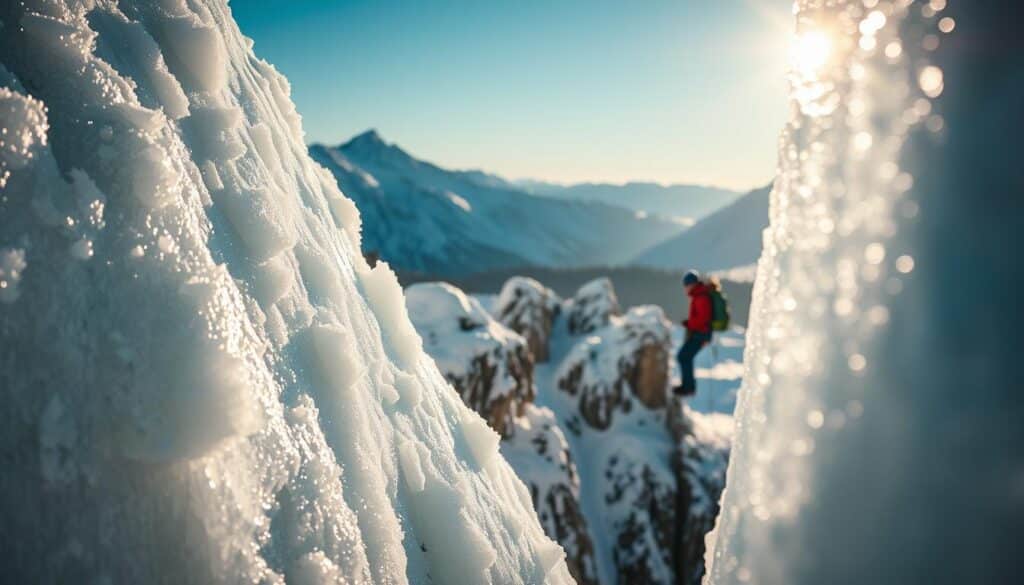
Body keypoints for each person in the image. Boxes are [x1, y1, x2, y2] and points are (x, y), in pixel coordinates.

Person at [674, 270, 712, 396]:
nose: (685, 289)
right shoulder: (699, 295)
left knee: (683, 356)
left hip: (700, 334)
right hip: (700, 333)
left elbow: (703, 319)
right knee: (685, 357)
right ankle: (688, 386)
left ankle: (688, 387)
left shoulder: (701, 297)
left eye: (686, 285)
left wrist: (689, 324)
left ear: (691, 284)